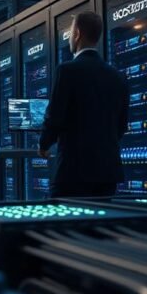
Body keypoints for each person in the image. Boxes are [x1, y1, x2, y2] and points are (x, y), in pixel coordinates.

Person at [38, 10, 129, 197]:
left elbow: (55, 116)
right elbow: (122, 125)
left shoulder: (67, 70)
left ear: (77, 33)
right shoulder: (118, 76)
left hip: (74, 171)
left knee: (65, 223)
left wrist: (44, 143)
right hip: (107, 172)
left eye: (71, 32)